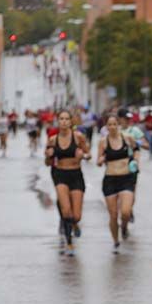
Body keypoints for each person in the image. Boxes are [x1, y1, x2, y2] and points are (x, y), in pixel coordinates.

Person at [45, 109, 90, 256]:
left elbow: (88, 154)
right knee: (65, 210)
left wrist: (82, 155)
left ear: (71, 122)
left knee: (76, 215)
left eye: (66, 119)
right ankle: (69, 242)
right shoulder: (52, 140)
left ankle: (75, 224)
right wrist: (49, 156)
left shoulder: (78, 137)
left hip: (76, 175)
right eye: (61, 119)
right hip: (60, 174)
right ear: (58, 122)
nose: (64, 122)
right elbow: (47, 162)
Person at [96, 114, 140, 253]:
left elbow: (137, 150)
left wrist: (136, 162)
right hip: (110, 180)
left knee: (126, 212)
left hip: (126, 178)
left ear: (118, 125)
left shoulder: (127, 138)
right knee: (113, 215)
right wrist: (101, 160)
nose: (112, 127)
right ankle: (115, 241)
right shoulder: (103, 142)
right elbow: (98, 161)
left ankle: (124, 226)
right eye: (109, 125)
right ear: (106, 127)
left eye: (115, 124)